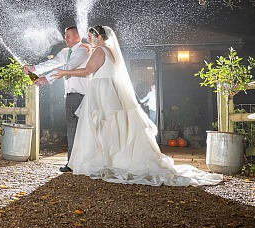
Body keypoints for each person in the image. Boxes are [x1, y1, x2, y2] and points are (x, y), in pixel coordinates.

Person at [54, 25, 222, 186]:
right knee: (109, 126)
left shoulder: (100, 50)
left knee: (101, 125)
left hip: (101, 91)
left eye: (91, 37)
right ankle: (108, 158)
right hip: (109, 90)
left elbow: (87, 71)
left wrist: (65, 72)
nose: (89, 40)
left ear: (99, 37)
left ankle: (103, 160)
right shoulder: (111, 51)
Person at [23, 26, 92, 172]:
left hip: (83, 95)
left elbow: (69, 66)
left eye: (68, 36)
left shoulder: (83, 50)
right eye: (65, 36)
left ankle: (79, 163)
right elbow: (52, 63)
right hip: (70, 95)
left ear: (77, 36)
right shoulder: (65, 52)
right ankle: (73, 162)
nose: (65, 39)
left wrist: (46, 79)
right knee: (72, 129)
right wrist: (33, 69)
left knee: (80, 129)